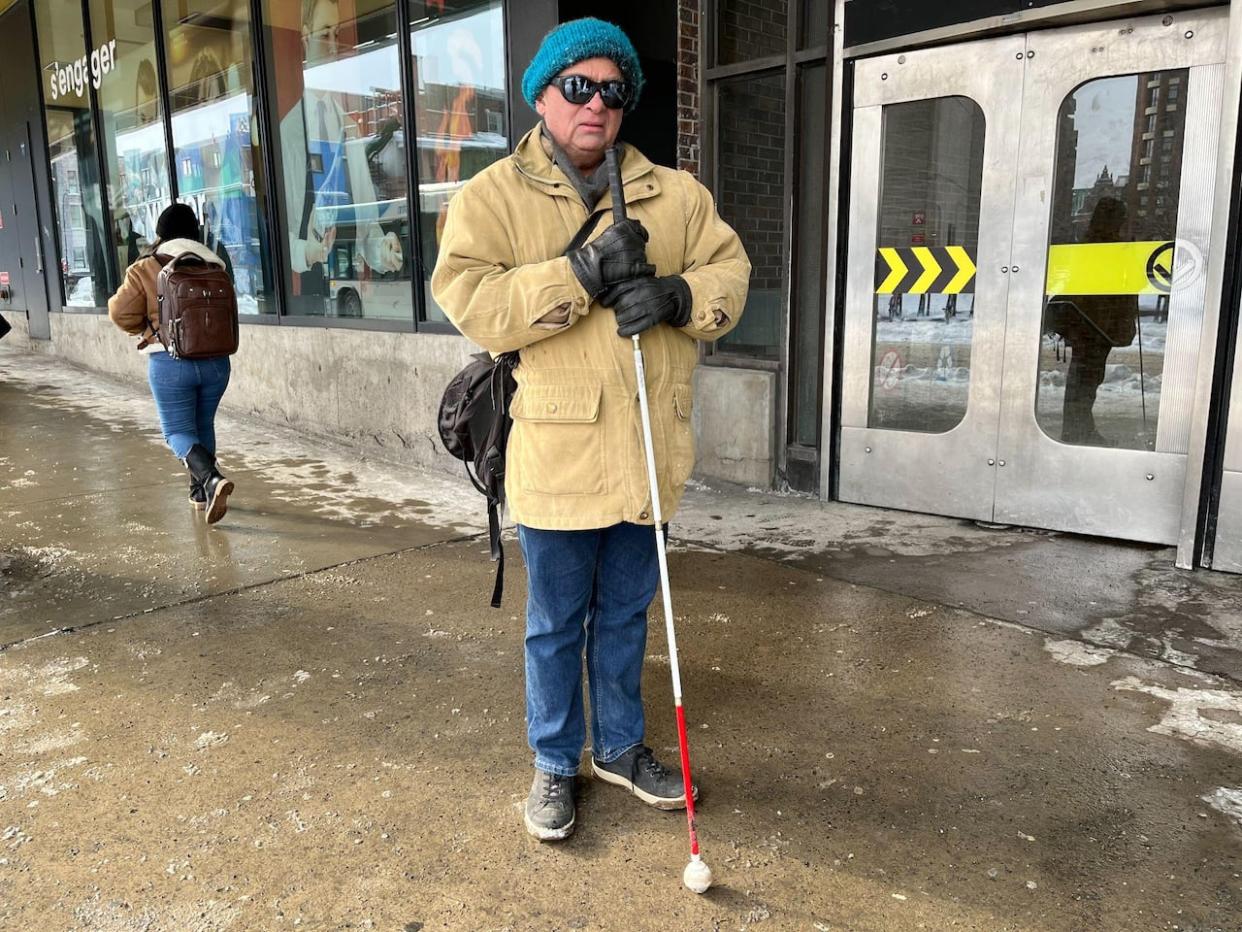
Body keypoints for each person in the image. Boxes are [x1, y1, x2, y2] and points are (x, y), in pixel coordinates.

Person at [432, 18, 750, 842]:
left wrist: (679, 296)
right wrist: (576, 273)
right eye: (579, 86)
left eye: (614, 92)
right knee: (554, 623)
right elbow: (472, 301)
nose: (597, 105)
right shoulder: (492, 198)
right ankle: (552, 763)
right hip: (558, 455)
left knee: (626, 615)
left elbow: (731, 270)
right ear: (544, 94)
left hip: (648, 452)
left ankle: (618, 746)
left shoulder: (676, 197)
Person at [107, 203, 235, 524]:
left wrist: (148, 330)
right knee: (202, 425)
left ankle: (211, 479)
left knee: (177, 431)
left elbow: (119, 312)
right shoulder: (216, 264)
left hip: (170, 362)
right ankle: (200, 494)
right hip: (217, 362)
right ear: (195, 231)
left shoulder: (146, 267)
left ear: (160, 233)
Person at [279, 0, 404, 313]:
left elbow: (365, 223)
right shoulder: (289, 132)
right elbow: (283, 236)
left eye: (336, 34)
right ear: (305, 37)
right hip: (306, 289)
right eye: (324, 33)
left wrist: (383, 251)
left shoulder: (348, 129)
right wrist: (309, 252)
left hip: (345, 277)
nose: (333, 45)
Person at [1051, 197, 1138, 446]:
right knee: (1085, 382)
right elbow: (1113, 290)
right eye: (1119, 218)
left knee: (1083, 380)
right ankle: (1078, 432)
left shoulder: (1088, 244)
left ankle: (1078, 430)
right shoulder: (1107, 249)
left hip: (1090, 325)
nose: (1122, 223)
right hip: (1097, 326)